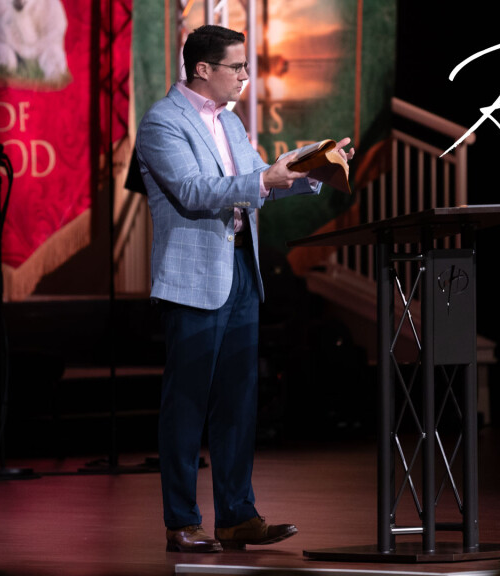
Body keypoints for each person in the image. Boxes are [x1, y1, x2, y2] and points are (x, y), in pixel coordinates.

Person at [137, 24, 353, 553]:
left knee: (238, 400)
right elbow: (193, 191)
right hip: (193, 279)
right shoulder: (163, 121)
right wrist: (263, 180)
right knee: (187, 403)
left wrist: (313, 164)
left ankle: (236, 517)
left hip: (240, 269)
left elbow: (260, 180)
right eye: (236, 67)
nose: (244, 76)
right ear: (203, 69)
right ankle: (181, 521)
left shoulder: (229, 122)